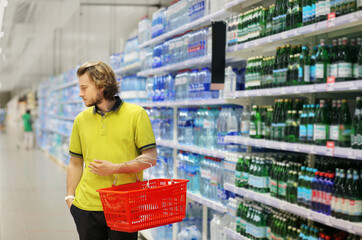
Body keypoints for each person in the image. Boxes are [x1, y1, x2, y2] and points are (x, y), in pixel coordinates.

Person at [66, 61, 157, 240]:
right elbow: (75, 162)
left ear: (101, 85)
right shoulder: (80, 120)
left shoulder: (137, 115)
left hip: (124, 207)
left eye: (84, 88)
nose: (80, 93)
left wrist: (116, 168)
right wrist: (70, 198)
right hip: (86, 207)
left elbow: (150, 158)